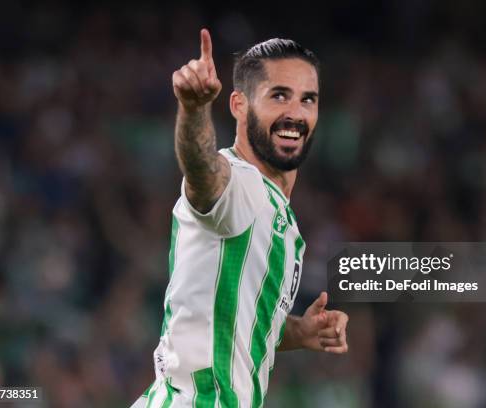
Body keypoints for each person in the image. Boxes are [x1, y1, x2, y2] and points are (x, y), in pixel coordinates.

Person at [132, 28, 349, 408]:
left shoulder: (279, 215)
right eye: (279, 96)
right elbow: (202, 174)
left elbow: (233, 320)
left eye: (308, 100)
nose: (295, 113)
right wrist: (194, 107)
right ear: (239, 105)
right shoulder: (241, 183)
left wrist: (298, 331)